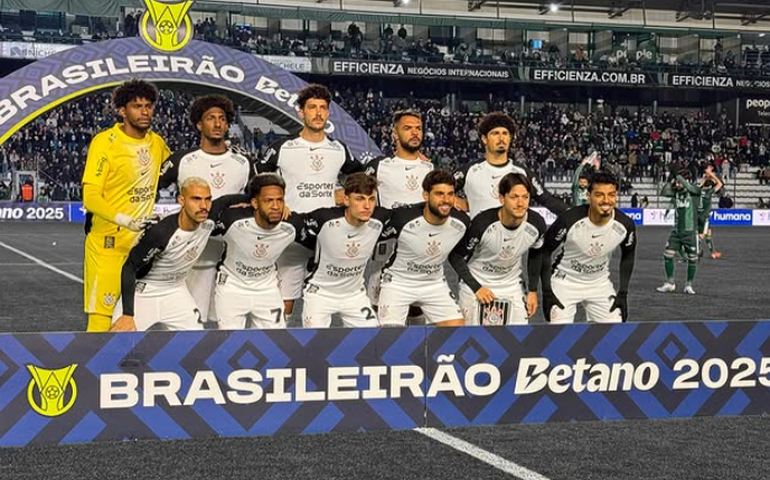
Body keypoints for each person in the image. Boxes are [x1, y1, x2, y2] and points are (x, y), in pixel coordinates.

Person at [259, 84, 362, 320]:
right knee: (284, 302)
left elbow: (361, 177)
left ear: (328, 113)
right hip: (291, 233)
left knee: (328, 301)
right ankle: (278, 347)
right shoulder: (282, 148)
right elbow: (257, 179)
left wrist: (344, 192)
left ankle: (318, 352)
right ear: (301, 112)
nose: (318, 113)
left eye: (323, 108)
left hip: (327, 237)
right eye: (312, 107)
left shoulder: (339, 149)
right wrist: (274, 203)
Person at [157, 94, 257, 324]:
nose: (218, 123)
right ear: (199, 124)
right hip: (192, 256)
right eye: (211, 118)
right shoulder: (181, 160)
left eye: (222, 118)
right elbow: (151, 190)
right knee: (188, 320)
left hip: (233, 254)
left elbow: (258, 198)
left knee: (231, 322)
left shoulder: (244, 162)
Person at [81, 79, 171, 332]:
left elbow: (180, 171)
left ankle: (126, 371)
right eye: (137, 106)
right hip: (108, 244)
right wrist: (126, 220)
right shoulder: (105, 142)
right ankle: (94, 371)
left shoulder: (157, 143)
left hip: (141, 245)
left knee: (134, 317)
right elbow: (90, 197)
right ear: (122, 111)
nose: (145, 111)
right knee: (102, 316)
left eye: (149, 106)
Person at [110, 178, 243, 331]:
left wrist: (255, 199)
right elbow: (130, 267)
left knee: (195, 343)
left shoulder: (208, 218)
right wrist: (127, 315)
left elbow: (225, 201)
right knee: (119, 343)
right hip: (145, 292)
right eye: (196, 199)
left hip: (176, 290)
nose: (203, 206)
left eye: (208, 199)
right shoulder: (161, 232)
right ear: (181, 200)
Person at [449, 173, 546, 326]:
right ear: (502, 199)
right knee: (471, 339)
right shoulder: (482, 224)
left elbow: (536, 253)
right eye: (514, 197)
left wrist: (533, 290)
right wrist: (476, 288)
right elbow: (456, 256)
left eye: (525, 197)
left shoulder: (537, 224)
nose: (520, 203)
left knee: (518, 339)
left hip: (511, 285)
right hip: (478, 283)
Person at [376, 169, 470, 327]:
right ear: (426, 195)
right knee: (390, 337)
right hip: (398, 283)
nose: (446, 200)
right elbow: (371, 231)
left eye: (450, 194)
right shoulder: (402, 218)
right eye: (439, 194)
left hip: (434, 284)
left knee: (456, 331)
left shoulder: (461, 222)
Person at [541, 170, 637, 323]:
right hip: (565, 281)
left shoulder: (625, 225)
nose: (606, 200)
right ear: (588, 195)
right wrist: (547, 291)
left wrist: (623, 293)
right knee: (557, 334)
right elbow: (544, 252)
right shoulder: (569, 219)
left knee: (615, 332)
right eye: (599, 195)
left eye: (611, 195)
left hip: (599, 283)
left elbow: (628, 256)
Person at [364, 109, 433, 312]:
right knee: (380, 314)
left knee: (417, 315)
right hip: (385, 254)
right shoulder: (379, 166)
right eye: (408, 128)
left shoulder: (429, 169)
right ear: (394, 134)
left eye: (418, 128)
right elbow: (355, 195)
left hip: (420, 255)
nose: (414, 133)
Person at [298, 173, 389, 328]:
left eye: (371, 199)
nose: (367, 206)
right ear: (346, 200)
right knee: (314, 344)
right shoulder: (324, 218)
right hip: (319, 294)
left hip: (355, 295)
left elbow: (412, 212)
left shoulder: (380, 218)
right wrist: (243, 204)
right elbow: (286, 218)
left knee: (372, 340)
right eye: (359, 199)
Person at [213, 174, 302, 330]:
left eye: (279, 200)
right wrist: (239, 199)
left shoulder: (291, 225)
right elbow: (207, 215)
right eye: (268, 201)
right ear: (254, 202)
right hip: (232, 288)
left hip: (267, 290)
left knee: (275, 342)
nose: (276, 206)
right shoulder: (232, 220)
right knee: (229, 344)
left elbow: (320, 235)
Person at [453, 112, 568, 219]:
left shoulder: (522, 172)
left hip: (515, 239)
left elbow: (548, 201)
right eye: (495, 133)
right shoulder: (469, 171)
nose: (501, 138)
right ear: (484, 139)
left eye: (505, 133)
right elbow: (437, 189)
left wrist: (575, 216)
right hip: (479, 239)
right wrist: (454, 200)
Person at [657, 164, 702, 295]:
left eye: (679, 181)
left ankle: (689, 285)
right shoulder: (676, 193)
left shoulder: (694, 191)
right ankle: (670, 283)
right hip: (677, 231)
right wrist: (671, 179)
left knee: (693, 259)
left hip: (690, 232)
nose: (677, 184)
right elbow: (664, 192)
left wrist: (679, 177)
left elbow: (689, 187)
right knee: (668, 255)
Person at [698, 166, 723, 260]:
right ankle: (694, 251)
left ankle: (713, 253)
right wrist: (711, 174)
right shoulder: (709, 192)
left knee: (708, 233)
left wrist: (705, 176)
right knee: (702, 235)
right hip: (704, 217)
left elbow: (700, 184)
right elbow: (720, 184)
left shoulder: (698, 190)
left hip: (697, 214)